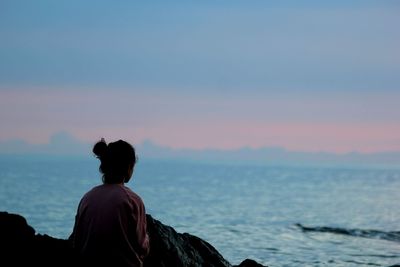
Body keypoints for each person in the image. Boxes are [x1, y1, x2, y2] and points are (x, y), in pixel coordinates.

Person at [70, 138, 150, 267]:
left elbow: (77, 241)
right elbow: (141, 246)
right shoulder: (132, 200)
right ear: (129, 166)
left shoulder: (88, 197)